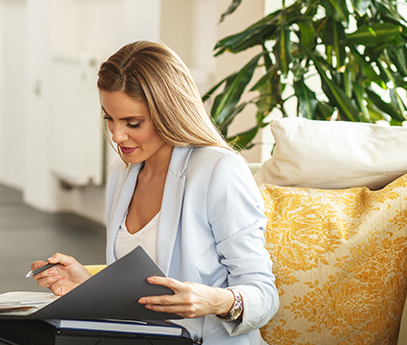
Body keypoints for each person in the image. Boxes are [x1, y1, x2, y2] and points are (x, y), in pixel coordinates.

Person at [29, 41, 278, 344]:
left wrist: (215, 301)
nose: (117, 136)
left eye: (133, 123)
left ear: (168, 112)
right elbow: (142, 287)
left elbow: (264, 296)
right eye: (110, 118)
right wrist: (88, 284)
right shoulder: (123, 175)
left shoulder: (219, 171)